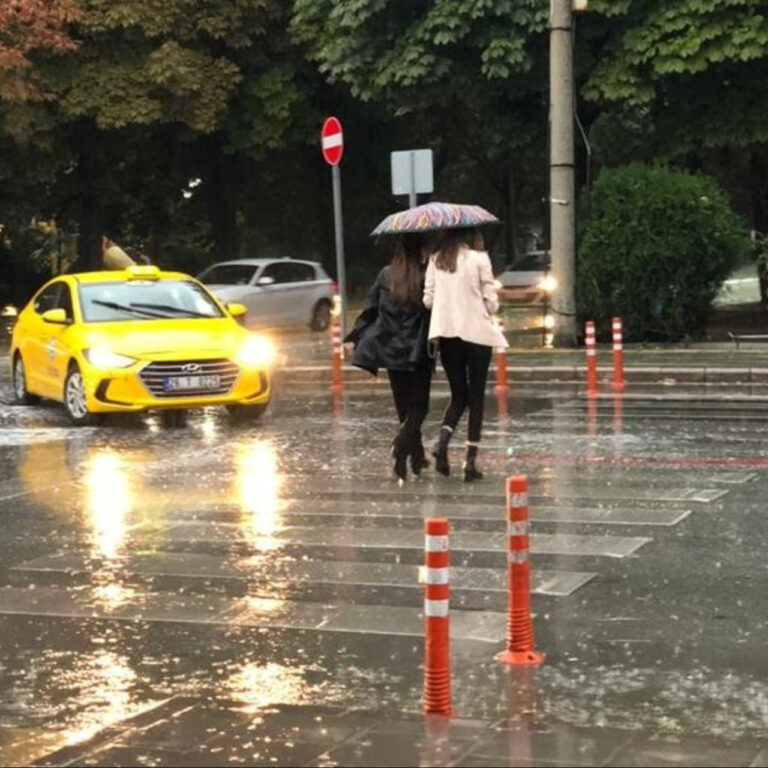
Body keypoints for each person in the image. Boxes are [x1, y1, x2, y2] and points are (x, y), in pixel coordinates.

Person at [345, 233, 432, 481]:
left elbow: (370, 310)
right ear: (420, 251)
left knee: (405, 409)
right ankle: (400, 447)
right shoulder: (426, 276)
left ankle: (412, 459)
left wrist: (354, 336)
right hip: (417, 351)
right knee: (419, 407)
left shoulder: (386, 274)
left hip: (389, 350)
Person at [424, 227, 507, 481]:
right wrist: (487, 303)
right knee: (477, 397)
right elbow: (491, 302)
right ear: (468, 235)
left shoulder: (436, 260)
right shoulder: (479, 259)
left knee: (458, 394)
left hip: (448, 336)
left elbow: (428, 300)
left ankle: (442, 443)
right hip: (476, 335)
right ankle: (470, 463)